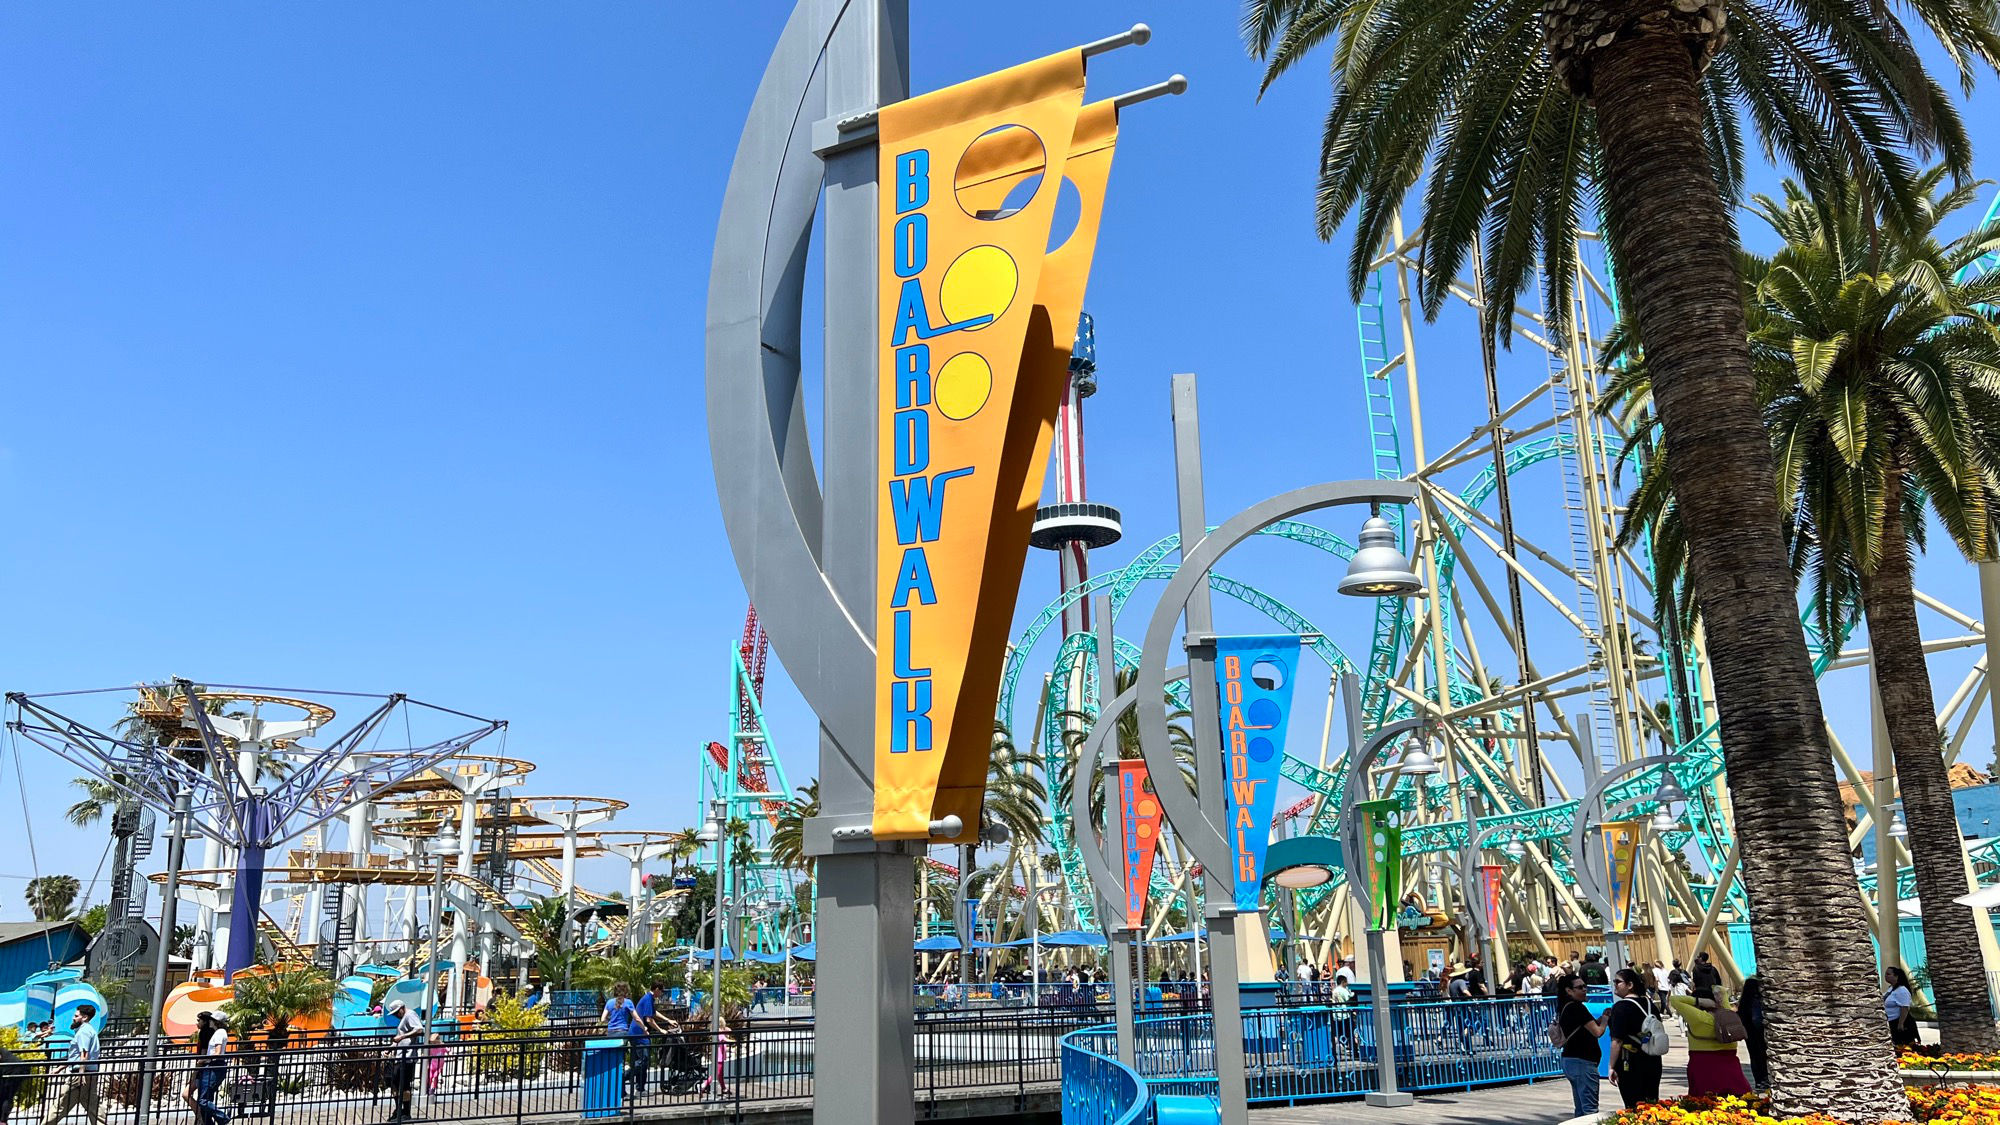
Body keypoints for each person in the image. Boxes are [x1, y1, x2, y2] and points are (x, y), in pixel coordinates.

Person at [1669, 990, 1751, 1096]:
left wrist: (1699, 1001)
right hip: (1730, 1064)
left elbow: (1674, 1000)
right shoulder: (1725, 1012)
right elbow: (1721, 990)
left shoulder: (1699, 1017)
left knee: (1703, 1101)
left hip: (1703, 1064)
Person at [1605, 969, 1663, 1109]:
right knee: (1652, 1104)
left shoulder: (1620, 1007)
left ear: (1630, 985)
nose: (1615, 985)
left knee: (1633, 1104)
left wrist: (1611, 1066)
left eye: (1618, 982)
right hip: (1653, 1058)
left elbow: (1616, 1041)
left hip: (1630, 1060)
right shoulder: (1650, 1005)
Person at [1552, 975, 1604, 1118]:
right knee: (1590, 1110)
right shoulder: (1577, 1008)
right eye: (1580, 987)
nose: (1584, 990)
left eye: (1585, 986)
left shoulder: (1565, 1007)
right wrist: (1605, 1019)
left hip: (1570, 1060)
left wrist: (1599, 1020)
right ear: (1569, 990)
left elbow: (1585, 1027)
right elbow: (1597, 1032)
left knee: (1581, 1108)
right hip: (1583, 1061)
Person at [41, 1004, 101, 1125]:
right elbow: (74, 1055)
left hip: (79, 1075)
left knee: (60, 1106)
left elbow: (84, 1053)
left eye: (76, 1016)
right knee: (94, 1107)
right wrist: (59, 1068)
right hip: (90, 1072)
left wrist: (81, 1073)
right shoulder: (88, 1030)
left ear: (84, 1017)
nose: (73, 1018)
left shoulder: (83, 1032)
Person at [190, 1011, 229, 1125]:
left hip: (213, 1067)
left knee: (203, 1100)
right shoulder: (220, 1032)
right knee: (207, 1098)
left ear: (215, 1021)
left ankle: (223, 1118)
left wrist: (204, 1060)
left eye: (212, 1020)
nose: (210, 1022)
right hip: (214, 1066)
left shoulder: (219, 1033)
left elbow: (217, 1052)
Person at [387, 1000, 424, 1123]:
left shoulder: (410, 1015)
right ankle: (399, 1109)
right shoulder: (404, 1018)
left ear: (402, 1008)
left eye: (396, 1012)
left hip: (407, 1057)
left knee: (404, 1085)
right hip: (400, 1055)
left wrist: (402, 1037)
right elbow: (399, 1036)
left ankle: (405, 1112)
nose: (395, 1015)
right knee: (395, 1083)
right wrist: (391, 1047)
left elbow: (419, 1029)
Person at [1738, 976, 1769, 1090]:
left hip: (1748, 1033)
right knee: (1763, 1055)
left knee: (1754, 1057)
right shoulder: (1756, 1000)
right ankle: (1765, 1079)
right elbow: (1756, 1019)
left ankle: (1759, 1081)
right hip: (1758, 1033)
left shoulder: (1743, 1003)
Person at [1884, 966, 1921, 1050]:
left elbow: (1904, 1008)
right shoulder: (1891, 989)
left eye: (1888, 974)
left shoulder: (1902, 990)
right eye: (1885, 974)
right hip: (1890, 1022)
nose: (1886, 976)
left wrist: (1901, 1023)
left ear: (1896, 976)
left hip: (1897, 1023)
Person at [0, 1034, 27, 1125]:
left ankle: (2, 1120)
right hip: (16, 1068)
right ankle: (3, 1120)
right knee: (6, 1096)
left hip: (13, 1070)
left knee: (6, 1096)